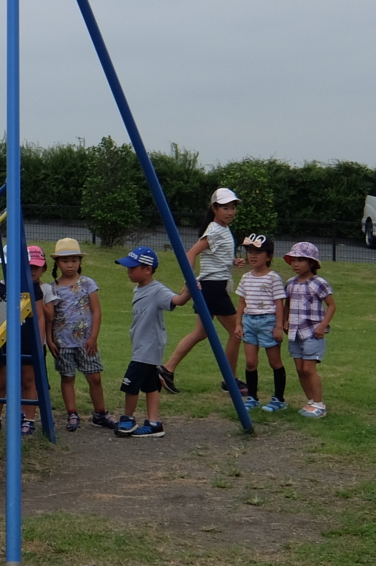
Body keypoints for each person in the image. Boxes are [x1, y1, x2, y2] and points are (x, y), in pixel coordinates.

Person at [158, 187, 246, 395]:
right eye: (225, 207)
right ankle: (230, 380)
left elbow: (215, 258)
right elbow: (190, 254)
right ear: (214, 208)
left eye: (232, 207)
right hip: (213, 288)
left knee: (201, 333)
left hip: (212, 286)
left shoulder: (221, 229)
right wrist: (190, 280)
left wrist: (232, 261)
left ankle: (167, 369)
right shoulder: (214, 230)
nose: (230, 212)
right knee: (237, 332)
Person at [114, 246, 191, 438]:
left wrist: (190, 288)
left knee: (130, 383)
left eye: (133, 268)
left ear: (148, 269)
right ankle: (154, 424)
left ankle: (128, 419)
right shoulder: (139, 288)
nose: (128, 271)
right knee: (151, 385)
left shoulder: (157, 290)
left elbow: (178, 300)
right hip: (142, 345)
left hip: (148, 346)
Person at [45, 238, 115, 431]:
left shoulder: (87, 283)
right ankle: (72, 413)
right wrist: (49, 340)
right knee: (67, 377)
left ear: (80, 261)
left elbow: (96, 311)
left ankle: (100, 413)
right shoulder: (52, 288)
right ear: (57, 263)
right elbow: (50, 317)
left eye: (74, 260)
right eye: (65, 261)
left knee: (95, 377)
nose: (70, 265)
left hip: (85, 342)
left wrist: (93, 337)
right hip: (62, 342)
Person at [0, 245, 51, 436]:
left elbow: (40, 317)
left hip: (27, 339)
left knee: (28, 380)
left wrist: (39, 343)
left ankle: (28, 419)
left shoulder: (32, 288)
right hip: (4, 341)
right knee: (3, 380)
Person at [232, 234, 288, 411]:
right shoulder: (246, 277)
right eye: (250, 252)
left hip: (268, 321)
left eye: (258, 252)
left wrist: (278, 326)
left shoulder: (273, 278)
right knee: (250, 362)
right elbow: (242, 302)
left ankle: (278, 399)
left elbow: (279, 303)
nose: (253, 256)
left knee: (274, 362)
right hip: (249, 322)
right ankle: (252, 397)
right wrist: (238, 323)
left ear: (269, 256)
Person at [282, 242, 336, 419]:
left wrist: (323, 325)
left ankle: (319, 404)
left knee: (308, 369)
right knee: (299, 369)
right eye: (293, 260)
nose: (295, 264)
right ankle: (311, 401)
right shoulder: (290, 283)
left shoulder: (318, 283)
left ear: (311, 263)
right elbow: (287, 305)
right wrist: (285, 321)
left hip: (312, 332)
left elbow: (331, 305)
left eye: (300, 260)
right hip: (294, 333)